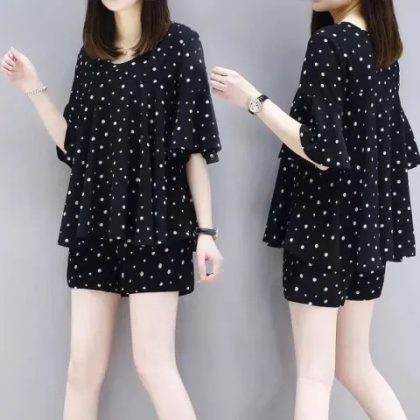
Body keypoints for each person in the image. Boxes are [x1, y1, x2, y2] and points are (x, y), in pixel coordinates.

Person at [1, 1, 223, 419]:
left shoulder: (180, 44)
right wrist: (32, 86)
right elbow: (75, 147)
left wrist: (206, 232)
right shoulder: (93, 54)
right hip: (95, 221)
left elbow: (193, 146)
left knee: (153, 365)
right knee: (81, 370)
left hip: (159, 223)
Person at [210, 0, 419, 418]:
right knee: (355, 365)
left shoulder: (330, 43)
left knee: (314, 376)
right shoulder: (382, 50)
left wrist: (253, 100)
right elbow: (393, 150)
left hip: (322, 226)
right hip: (367, 231)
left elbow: (320, 150)